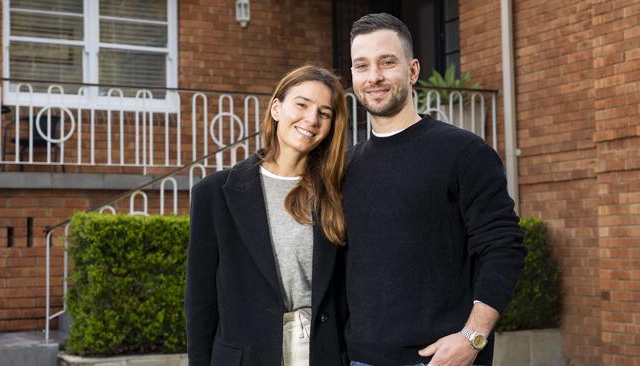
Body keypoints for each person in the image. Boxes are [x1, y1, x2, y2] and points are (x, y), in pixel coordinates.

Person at [343, 13, 528, 366]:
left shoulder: (463, 152)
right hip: (360, 360)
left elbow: (504, 248)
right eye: (361, 66)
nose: (374, 77)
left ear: (412, 71)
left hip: (438, 359)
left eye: (387, 62)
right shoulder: (347, 167)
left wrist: (472, 338)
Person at [185, 65, 349, 366]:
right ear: (276, 108)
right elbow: (200, 302)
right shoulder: (214, 193)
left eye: (324, 113)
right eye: (302, 104)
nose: (311, 120)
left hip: (321, 351)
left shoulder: (338, 193)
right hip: (246, 355)